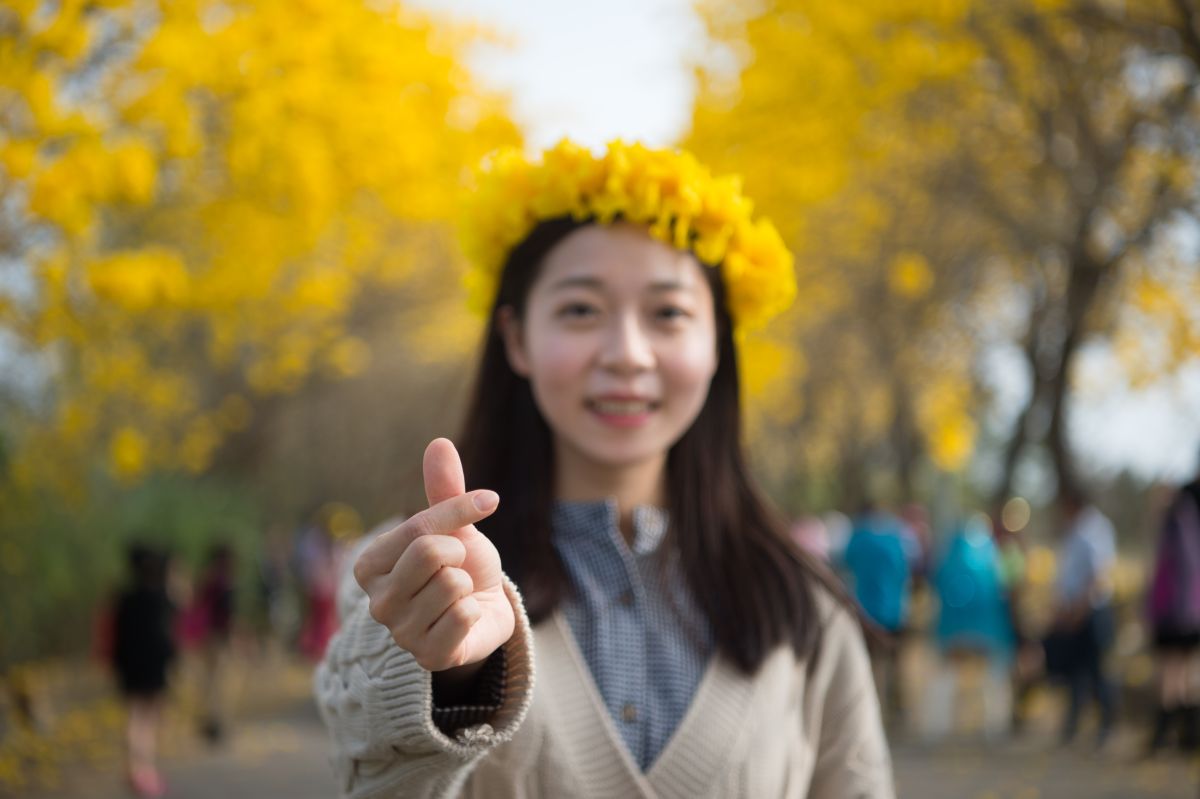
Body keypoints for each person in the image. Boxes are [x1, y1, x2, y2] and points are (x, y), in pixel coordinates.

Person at [314, 140, 894, 798]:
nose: (626, 353)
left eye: (669, 313)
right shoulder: (408, 580)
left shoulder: (806, 608)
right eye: (581, 310)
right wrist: (450, 679)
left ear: (717, 345)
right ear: (516, 338)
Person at [1048, 487, 1118, 748]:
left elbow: (1098, 575)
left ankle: (1106, 727)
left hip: (1090, 612)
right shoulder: (1075, 530)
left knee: (1097, 671)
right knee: (1075, 672)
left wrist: (1079, 609)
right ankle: (1072, 726)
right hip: (1072, 612)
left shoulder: (1095, 529)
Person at [840, 502, 917, 729]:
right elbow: (906, 572)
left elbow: (846, 565)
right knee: (895, 665)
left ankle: (866, 716)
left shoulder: (858, 538)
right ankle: (897, 713)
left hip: (864, 612)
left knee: (865, 666)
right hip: (894, 612)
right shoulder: (896, 538)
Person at [111, 544, 176, 798]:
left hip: (130, 666)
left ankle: (134, 768)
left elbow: (118, 637)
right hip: (153, 667)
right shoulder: (160, 598)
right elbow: (167, 637)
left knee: (134, 715)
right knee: (147, 720)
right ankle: (144, 771)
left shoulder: (124, 598)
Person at [1145, 462, 1200, 754]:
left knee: (1173, 674)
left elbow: (1181, 572)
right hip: (1185, 612)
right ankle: (1185, 737)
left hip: (1177, 614)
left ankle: (1169, 736)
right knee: (1183, 675)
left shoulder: (1177, 523)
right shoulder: (1183, 520)